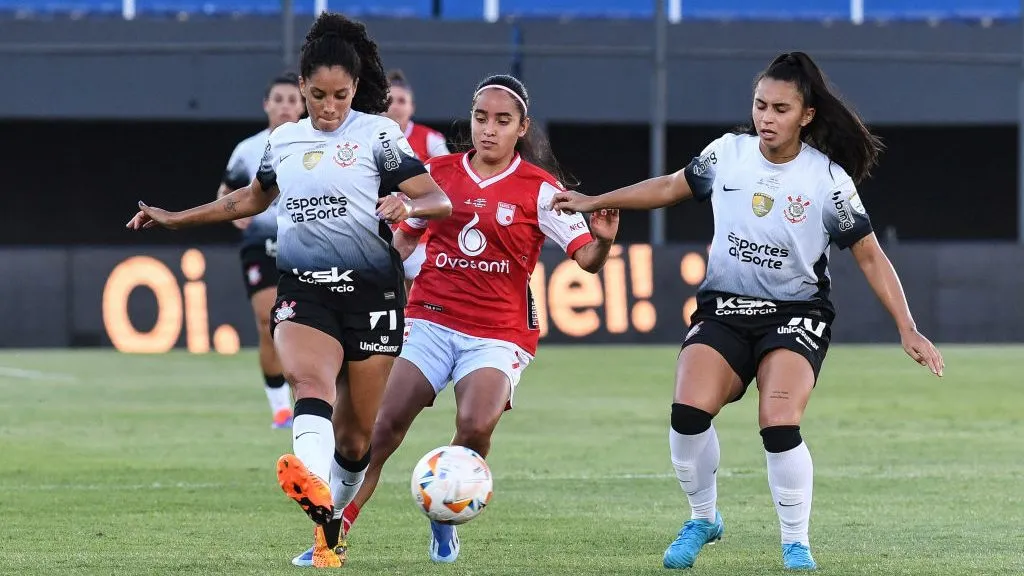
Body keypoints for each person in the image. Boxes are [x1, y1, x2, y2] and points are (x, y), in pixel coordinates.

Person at [551, 52, 944, 571]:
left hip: (796, 312)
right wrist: (596, 199)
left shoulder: (827, 180)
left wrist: (908, 328)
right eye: (760, 105)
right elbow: (671, 186)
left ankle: (795, 544)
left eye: (781, 108)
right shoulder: (728, 154)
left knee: (778, 421)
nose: (766, 117)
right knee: (687, 414)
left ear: (805, 116)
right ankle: (703, 519)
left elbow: (869, 254)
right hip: (725, 309)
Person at [126, 11, 453, 569]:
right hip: (305, 290)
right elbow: (251, 199)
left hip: (373, 294)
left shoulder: (378, 134)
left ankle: (332, 527)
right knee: (309, 380)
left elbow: (438, 200)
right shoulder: (284, 139)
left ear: (355, 91)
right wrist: (176, 218)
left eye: (341, 96)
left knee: (355, 442)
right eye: (319, 95)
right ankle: (314, 490)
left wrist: (408, 202)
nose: (329, 108)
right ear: (301, 88)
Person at [292, 73, 619, 567]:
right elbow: (405, 240)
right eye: (481, 118)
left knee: (474, 426)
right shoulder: (438, 172)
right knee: (379, 431)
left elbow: (587, 259)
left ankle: (444, 517)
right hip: (429, 321)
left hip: (497, 333)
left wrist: (607, 240)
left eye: (502, 121)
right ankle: (330, 535)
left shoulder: (540, 190)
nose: (489, 129)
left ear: (522, 128)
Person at [218, 72, 305, 430]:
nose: (285, 106)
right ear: (266, 105)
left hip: (305, 241)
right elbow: (226, 192)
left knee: (303, 324)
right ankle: (280, 409)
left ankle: (310, 401)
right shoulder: (249, 149)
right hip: (261, 241)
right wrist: (232, 213)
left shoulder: (313, 143)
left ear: (301, 105)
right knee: (270, 320)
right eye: (279, 100)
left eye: (291, 100)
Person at [382, 68, 451, 293]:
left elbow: (450, 178)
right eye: (390, 100)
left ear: (412, 107)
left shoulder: (430, 139)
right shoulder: (369, 137)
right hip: (378, 232)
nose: (396, 106)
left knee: (419, 297)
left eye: (402, 101)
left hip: (419, 236)